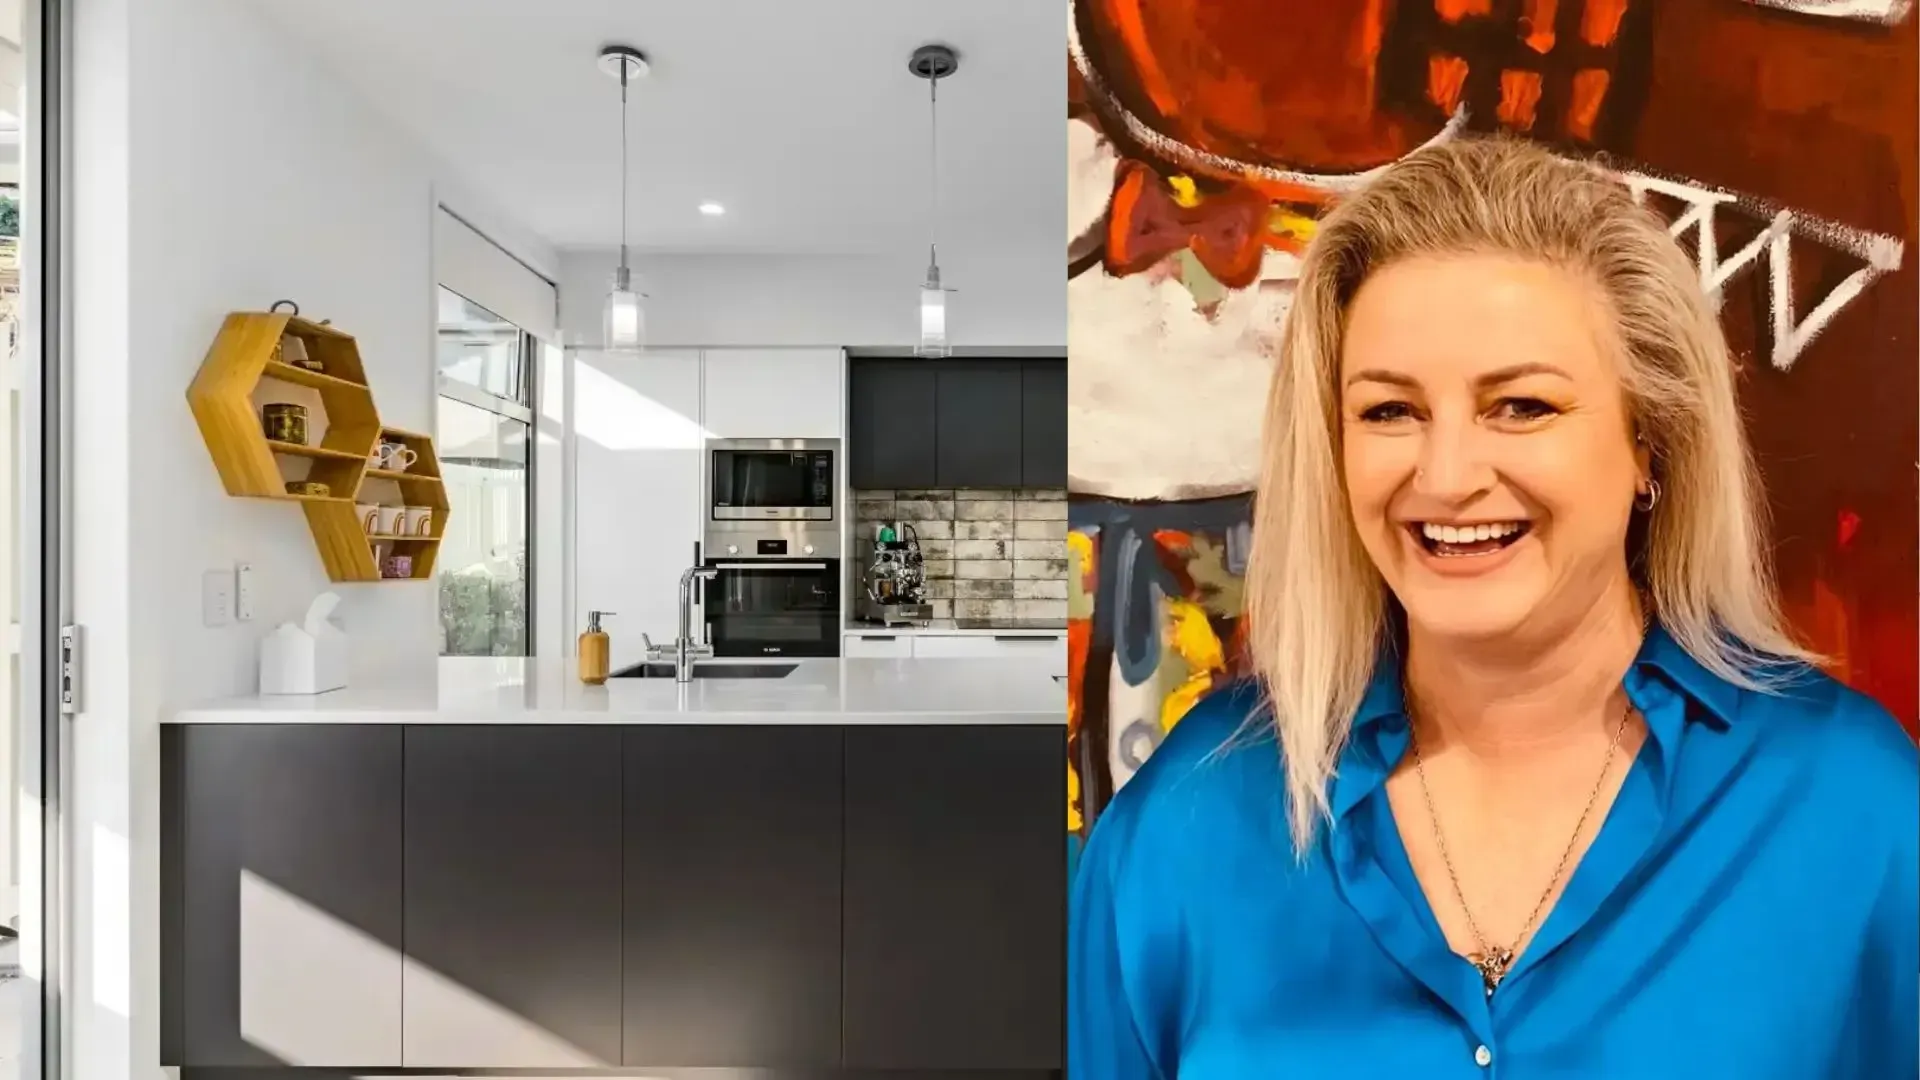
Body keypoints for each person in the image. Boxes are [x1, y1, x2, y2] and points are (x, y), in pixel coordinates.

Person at [1067, 135, 1918, 1078]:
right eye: (1390, 411)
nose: (1447, 475)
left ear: (1650, 443)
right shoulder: (1192, 818)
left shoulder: (1850, 808)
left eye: (1521, 406)